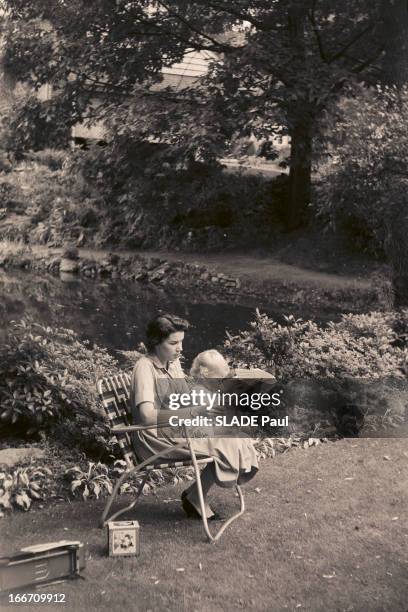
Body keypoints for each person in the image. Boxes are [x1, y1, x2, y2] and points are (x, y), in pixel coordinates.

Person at [130, 314, 259, 521]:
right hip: (155, 439)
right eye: (173, 343)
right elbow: (146, 417)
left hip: (176, 429)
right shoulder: (145, 368)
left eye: (181, 341)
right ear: (156, 342)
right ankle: (195, 497)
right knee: (225, 439)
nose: (180, 348)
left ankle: (195, 495)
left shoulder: (172, 364)